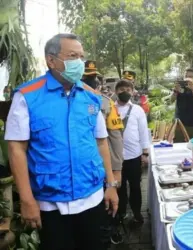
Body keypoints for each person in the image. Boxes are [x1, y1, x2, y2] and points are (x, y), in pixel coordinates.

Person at [5, 33, 118, 250]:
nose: (80, 63)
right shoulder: (27, 96)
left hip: (92, 197)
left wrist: (111, 185)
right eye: (73, 56)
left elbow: (101, 143)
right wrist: (27, 200)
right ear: (51, 60)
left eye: (82, 57)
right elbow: (16, 149)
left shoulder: (91, 97)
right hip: (51, 204)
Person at [81, 61, 124, 245]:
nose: (89, 81)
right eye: (86, 78)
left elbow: (115, 138)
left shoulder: (106, 103)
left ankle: (111, 233)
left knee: (105, 212)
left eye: (92, 78)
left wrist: (116, 170)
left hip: (102, 167)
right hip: (80, 172)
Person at [114, 79, 150, 224]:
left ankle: (137, 214)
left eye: (128, 90)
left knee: (135, 187)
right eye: (121, 89)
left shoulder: (137, 110)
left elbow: (143, 132)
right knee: (119, 188)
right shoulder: (110, 108)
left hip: (134, 156)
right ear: (116, 91)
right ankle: (121, 214)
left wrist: (145, 153)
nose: (125, 92)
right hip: (116, 158)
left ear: (132, 92)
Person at [171, 68, 193, 142]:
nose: (187, 78)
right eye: (186, 76)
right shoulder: (179, 88)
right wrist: (175, 91)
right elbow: (172, 99)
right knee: (178, 144)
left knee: (192, 145)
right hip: (179, 122)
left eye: (190, 76)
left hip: (192, 123)